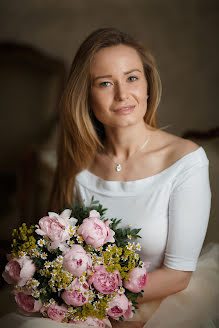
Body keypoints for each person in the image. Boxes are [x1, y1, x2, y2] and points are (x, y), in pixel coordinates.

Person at [1, 27, 218, 328]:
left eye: (132, 78)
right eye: (105, 83)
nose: (122, 95)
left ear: (147, 85)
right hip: (86, 309)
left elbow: (178, 276)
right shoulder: (79, 165)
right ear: (86, 96)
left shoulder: (185, 161)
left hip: (159, 308)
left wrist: (96, 300)